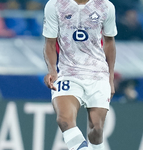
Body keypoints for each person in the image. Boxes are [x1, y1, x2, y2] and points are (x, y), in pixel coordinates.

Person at [43, 0, 117, 149]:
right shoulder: (55, 5)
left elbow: (109, 42)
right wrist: (52, 70)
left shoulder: (106, 6)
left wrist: (110, 78)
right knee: (64, 120)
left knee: (96, 130)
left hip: (97, 74)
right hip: (68, 72)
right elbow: (49, 43)